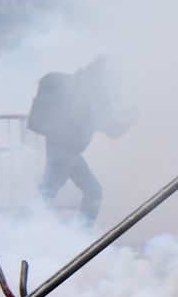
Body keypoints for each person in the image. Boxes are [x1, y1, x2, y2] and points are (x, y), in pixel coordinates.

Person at [27, 55, 138, 227]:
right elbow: (111, 130)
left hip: (65, 149)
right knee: (48, 194)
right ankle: (24, 228)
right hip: (65, 150)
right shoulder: (95, 92)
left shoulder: (78, 83)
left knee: (89, 191)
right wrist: (130, 119)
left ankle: (80, 233)